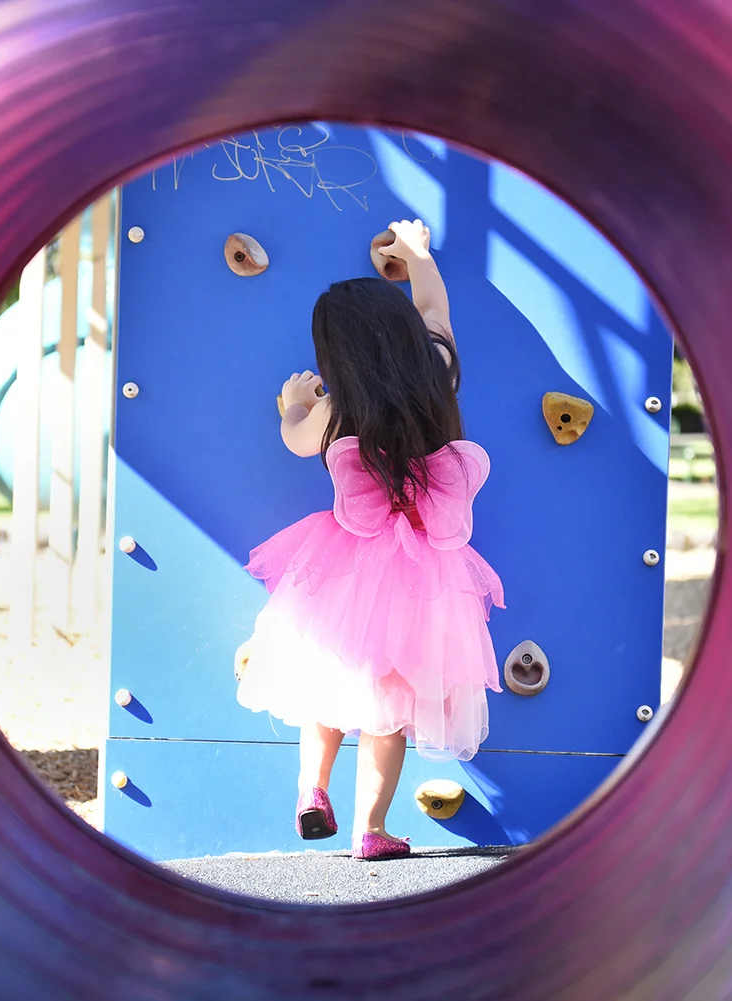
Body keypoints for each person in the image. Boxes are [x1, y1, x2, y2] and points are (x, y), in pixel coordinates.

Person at [235, 219, 505, 861]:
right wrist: (416, 256)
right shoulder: (438, 372)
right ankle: (372, 830)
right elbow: (435, 308)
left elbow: (296, 440)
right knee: (390, 704)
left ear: (337, 358)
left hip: (344, 565)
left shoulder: (338, 408)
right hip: (425, 573)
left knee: (326, 682)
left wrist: (293, 406)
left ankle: (311, 791)